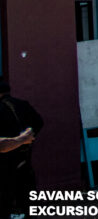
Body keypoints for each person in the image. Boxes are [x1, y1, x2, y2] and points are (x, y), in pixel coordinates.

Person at [0, 79, 44, 219]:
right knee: (27, 196)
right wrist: (28, 138)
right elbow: (38, 122)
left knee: (5, 198)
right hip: (23, 158)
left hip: (4, 163)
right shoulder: (22, 105)